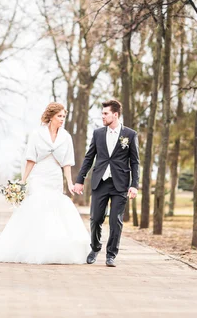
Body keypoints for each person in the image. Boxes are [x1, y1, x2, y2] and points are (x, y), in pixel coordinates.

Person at [0, 102, 90, 264]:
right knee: (38, 205)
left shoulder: (66, 137)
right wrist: (23, 181)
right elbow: (30, 159)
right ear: (51, 117)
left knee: (55, 208)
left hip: (55, 176)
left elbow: (67, 163)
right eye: (59, 116)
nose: (62, 119)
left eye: (64, 116)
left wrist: (69, 183)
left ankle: (53, 248)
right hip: (39, 175)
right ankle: (31, 248)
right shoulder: (37, 134)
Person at [73, 99, 139, 267]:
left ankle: (111, 254)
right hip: (100, 182)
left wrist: (134, 184)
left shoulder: (130, 135)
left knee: (115, 220)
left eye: (105, 113)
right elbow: (89, 158)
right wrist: (80, 180)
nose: (102, 116)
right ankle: (95, 248)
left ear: (115, 115)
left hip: (120, 183)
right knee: (95, 219)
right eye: (102, 113)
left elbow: (135, 162)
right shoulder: (98, 133)